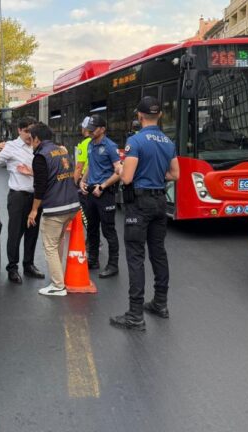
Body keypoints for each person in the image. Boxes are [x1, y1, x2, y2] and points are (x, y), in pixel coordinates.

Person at [110, 96, 180, 331]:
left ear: (139, 116)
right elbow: (175, 174)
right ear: (159, 115)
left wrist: (119, 168)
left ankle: (135, 314)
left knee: (135, 256)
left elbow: (127, 178)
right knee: (158, 253)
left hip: (139, 204)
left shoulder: (136, 141)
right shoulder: (168, 141)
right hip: (160, 201)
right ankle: (160, 303)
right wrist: (156, 175)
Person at [0, 116, 45, 284]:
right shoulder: (11, 147)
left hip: (36, 197)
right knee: (15, 234)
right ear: (19, 130)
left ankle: (29, 265)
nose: (29, 135)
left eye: (32, 131)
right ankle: (12, 268)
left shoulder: (38, 146)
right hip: (18, 196)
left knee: (32, 233)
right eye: (26, 131)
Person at [27, 122, 80, 297]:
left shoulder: (40, 156)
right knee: (57, 242)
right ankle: (58, 278)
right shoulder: (62, 151)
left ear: (37, 139)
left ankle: (58, 286)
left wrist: (34, 210)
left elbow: (40, 186)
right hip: (72, 205)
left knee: (49, 246)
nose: (30, 143)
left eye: (31, 139)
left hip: (55, 208)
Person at [80, 114, 122, 278]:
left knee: (108, 230)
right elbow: (91, 165)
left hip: (105, 193)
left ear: (102, 129)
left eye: (93, 129)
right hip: (91, 192)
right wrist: (83, 181)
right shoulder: (90, 144)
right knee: (91, 228)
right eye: (89, 128)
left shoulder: (110, 146)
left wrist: (103, 186)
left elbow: (119, 171)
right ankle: (93, 260)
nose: (90, 131)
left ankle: (113, 265)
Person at [74, 117, 93, 226]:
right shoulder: (97, 141)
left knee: (85, 212)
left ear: (85, 129)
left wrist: (74, 183)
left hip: (85, 182)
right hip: (97, 180)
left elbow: (79, 167)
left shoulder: (84, 144)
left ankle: (91, 234)